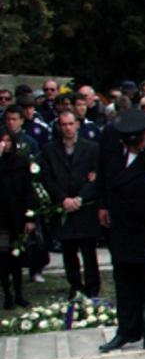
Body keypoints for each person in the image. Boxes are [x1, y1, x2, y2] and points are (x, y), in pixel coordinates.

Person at [97, 110, 145, 351]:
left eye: (137, 143)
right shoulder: (110, 137)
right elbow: (103, 171)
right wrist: (103, 204)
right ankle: (127, 331)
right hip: (121, 222)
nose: (134, 148)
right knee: (125, 279)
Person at [41, 111, 101, 298]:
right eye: (64, 124)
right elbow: (46, 177)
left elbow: (97, 177)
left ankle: (92, 288)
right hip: (63, 206)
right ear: (59, 126)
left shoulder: (92, 148)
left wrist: (80, 198)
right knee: (68, 251)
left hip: (85, 207)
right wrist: (62, 199)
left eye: (70, 123)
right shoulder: (50, 150)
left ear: (77, 125)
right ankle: (75, 285)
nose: (67, 127)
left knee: (88, 251)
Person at [0, 129, 35, 308]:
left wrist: (30, 217)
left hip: (18, 217)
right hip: (2, 220)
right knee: (3, 256)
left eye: (8, 140)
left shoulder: (21, 162)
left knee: (17, 255)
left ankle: (19, 293)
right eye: (2, 140)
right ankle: (7, 294)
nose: (5, 144)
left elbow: (29, 190)